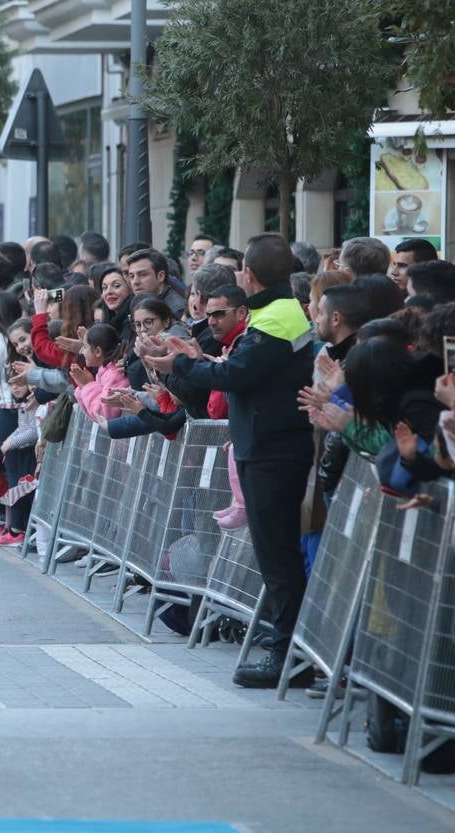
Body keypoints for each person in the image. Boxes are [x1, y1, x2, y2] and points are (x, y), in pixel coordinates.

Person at [145, 233, 315, 688]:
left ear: (250, 275)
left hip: (272, 450)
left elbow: (238, 375)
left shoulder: (277, 317)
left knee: (277, 557)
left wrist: (178, 366)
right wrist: (192, 360)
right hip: (266, 446)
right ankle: (288, 650)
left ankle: (285, 655)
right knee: (274, 553)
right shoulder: (273, 313)